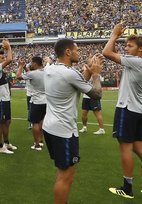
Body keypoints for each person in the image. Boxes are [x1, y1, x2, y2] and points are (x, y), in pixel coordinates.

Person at [102, 23, 142, 198]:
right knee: (139, 148)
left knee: (125, 148)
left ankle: (127, 187)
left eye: (129, 46)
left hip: (127, 109)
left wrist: (114, 35)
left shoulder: (137, 61)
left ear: (140, 49)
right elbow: (116, 53)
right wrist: (139, 44)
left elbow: (107, 53)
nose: (126, 48)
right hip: (138, 110)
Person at [42, 39, 104, 204]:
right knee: (67, 176)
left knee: (63, 170)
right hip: (64, 131)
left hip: (50, 127)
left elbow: (75, 84)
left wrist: (89, 72)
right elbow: (96, 94)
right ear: (68, 52)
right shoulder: (70, 73)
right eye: (76, 49)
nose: (79, 52)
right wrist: (96, 74)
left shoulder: (50, 68)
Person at [0, 39, 16, 154]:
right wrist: (8, 47)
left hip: (5, 99)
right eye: (2, 58)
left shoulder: (0, 69)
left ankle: (6, 143)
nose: (4, 59)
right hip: (0, 100)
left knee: (7, 121)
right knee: (0, 122)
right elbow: (10, 60)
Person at [16, 57, 45, 150]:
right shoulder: (47, 72)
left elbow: (18, 76)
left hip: (36, 101)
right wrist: (25, 67)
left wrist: (20, 66)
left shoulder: (33, 73)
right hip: (46, 101)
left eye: (32, 63)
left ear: (35, 64)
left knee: (35, 123)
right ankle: (40, 140)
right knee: (42, 121)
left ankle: (36, 144)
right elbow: (31, 74)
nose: (31, 65)